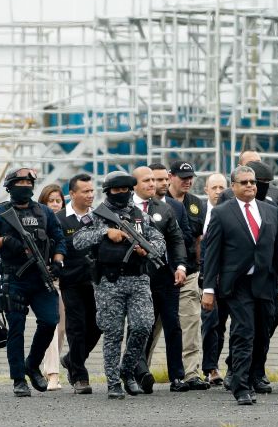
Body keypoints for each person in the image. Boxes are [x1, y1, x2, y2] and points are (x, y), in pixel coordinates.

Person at [201, 165, 278, 405]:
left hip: (265, 282)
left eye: (252, 182)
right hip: (237, 283)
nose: (249, 186)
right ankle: (241, 386)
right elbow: (211, 254)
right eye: (243, 182)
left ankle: (254, 375)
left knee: (263, 331)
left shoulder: (270, 211)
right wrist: (209, 289)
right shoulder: (222, 213)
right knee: (244, 332)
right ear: (233, 186)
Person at [72, 170, 165, 399]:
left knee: (143, 326)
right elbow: (77, 240)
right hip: (109, 282)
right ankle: (114, 382)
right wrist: (106, 232)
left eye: (126, 189)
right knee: (113, 333)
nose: (122, 193)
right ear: (108, 192)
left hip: (139, 279)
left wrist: (149, 249)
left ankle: (127, 370)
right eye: (117, 190)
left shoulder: (140, 215)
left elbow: (158, 240)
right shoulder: (97, 216)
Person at [0, 167, 66, 397]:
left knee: (50, 321)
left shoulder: (44, 212)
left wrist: (57, 261)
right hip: (14, 278)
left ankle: (32, 364)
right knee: (16, 328)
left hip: (41, 277)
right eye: (20, 184)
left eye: (28, 184)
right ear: (10, 187)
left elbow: (59, 239)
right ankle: (18, 379)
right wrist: (4, 241)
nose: (25, 187)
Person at [130, 166, 192, 394]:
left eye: (154, 181)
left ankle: (177, 376)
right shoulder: (123, 209)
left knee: (173, 326)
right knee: (140, 326)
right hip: (135, 277)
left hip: (165, 276)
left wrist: (181, 266)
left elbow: (177, 240)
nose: (152, 184)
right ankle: (138, 372)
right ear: (134, 184)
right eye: (146, 180)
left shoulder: (164, 209)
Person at [167, 160, 210, 390]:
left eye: (190, 177)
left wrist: (201, 268)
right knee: (150, 327)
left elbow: (200, 239)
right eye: (183, 177)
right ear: (170, 176)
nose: (188, 181)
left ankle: (191, 373)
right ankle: (137, 371)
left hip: (190, 272)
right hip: (163, 273)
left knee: (191, 323)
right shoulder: (159, 202)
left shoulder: (196, 204)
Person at [56, 174, 100, 395]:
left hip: (97, 283)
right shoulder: (60, 219)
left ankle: (71, 360)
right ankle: (80, 377)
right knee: (76, 328)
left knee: (98, 326)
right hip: (71, 282)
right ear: (72, 194)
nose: (90, 195)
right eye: (85, 191)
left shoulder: (99, 217)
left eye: (92, 191)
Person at [200, 172, 228, 386]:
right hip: (205, 276)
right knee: (211, 323)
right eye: (214, 187)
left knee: (228, 325)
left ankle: (231, 363)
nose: (219, 191)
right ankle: (211, 367)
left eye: (222, 187)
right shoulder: (198, 212)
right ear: (206, 190)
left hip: (229, 277)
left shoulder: (230, 211)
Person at [38, 184, 66, 391]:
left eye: (58, 201)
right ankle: (53, 374)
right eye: (51, 201)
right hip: (46, 280)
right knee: (52, 327)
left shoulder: (67, 221)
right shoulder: (42, 223)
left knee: (63, 328)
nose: (55, 204)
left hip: (68, 280)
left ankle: (47, 367)